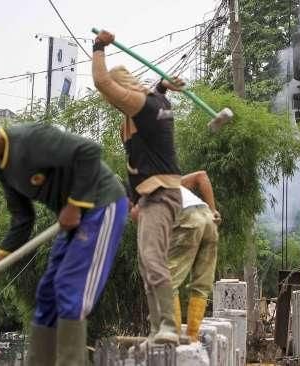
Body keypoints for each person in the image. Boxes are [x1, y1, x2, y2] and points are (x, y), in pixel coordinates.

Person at [0, 111, 128, 365]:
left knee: (70, 289)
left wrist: (74, 205)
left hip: (101, 205)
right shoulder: (2, 168)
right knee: (47, 293)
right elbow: (22, 220)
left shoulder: (30, 139)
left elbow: (89, 151)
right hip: (71, 218)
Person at [92, 30, 185, 345]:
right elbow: (137, 162)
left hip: (162, 195)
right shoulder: (153, 102)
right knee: (147, 264)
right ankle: (157, 329)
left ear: (126, 89)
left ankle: (169, 327)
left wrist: (99, 47)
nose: (114, 102)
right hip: (149, 197)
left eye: (118, 96)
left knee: (154, 260)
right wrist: (134, 201)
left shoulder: (144, 106)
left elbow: (102, 83)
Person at [130, 171, 220, 344]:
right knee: (202, 284)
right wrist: (213, 210)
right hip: (207, 219)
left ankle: (173, 336)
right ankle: (192, 338)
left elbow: (136, 213)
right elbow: (202, 176)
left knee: (165, 282)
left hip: (187, 219)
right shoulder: (173, 183)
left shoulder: (147, 193)